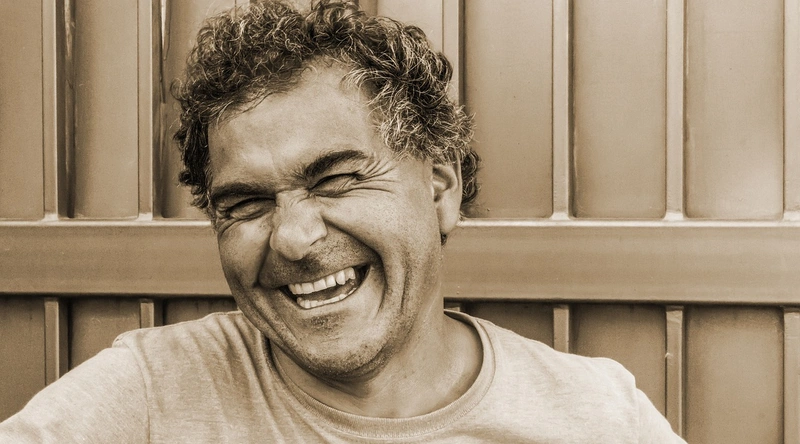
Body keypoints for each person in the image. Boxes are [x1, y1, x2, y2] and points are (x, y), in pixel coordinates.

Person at [0, 1, 685, 442]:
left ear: (441, 188)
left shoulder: (597, 416)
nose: (294, 238)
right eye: (246, 204)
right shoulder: (146, 397)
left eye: (336, 180)